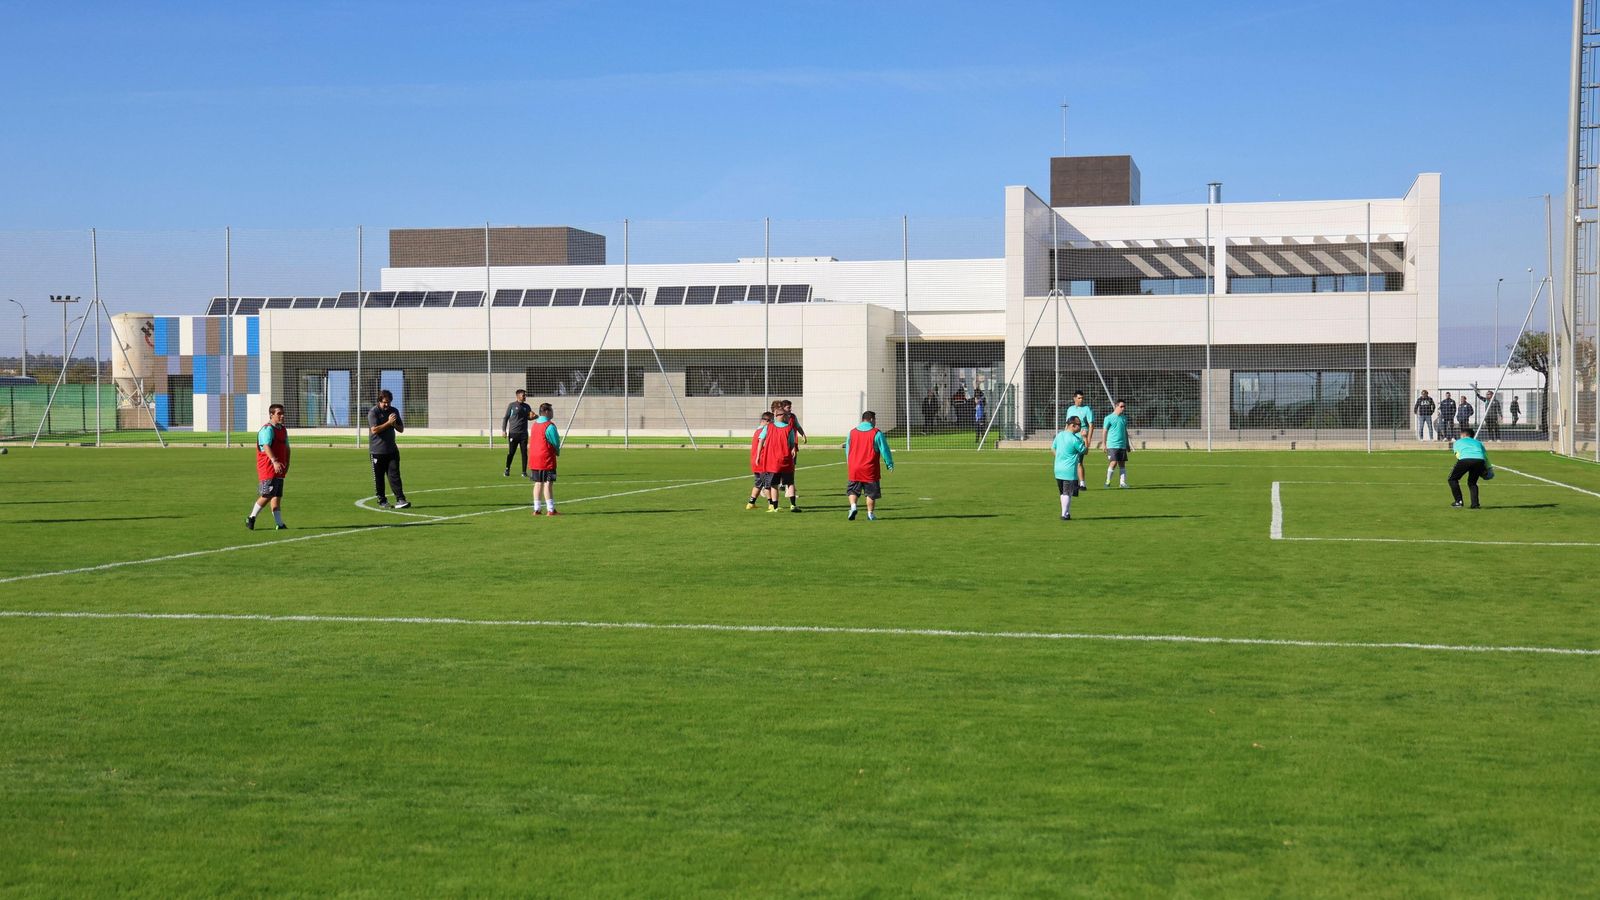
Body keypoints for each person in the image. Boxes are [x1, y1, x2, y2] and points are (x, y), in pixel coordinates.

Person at [246, 403, 290, 530]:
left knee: (277, 495)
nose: (282, 416)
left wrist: (288, 462)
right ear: (271, 414)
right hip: (268, 467)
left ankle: (279, 524)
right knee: (267, 494)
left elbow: (287, 448)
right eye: (279, 414)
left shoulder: (283, 429)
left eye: (283, 413)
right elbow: (266, 446)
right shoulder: (267, 429)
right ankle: (251, 517)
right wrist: (275, 461)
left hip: (280, 468)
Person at [845, 410, 894, 521]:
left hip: (854, 468)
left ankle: (853, 507)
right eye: (875, 419)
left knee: (853, 490)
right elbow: (884, 450)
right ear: (871, 419)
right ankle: (870, 514)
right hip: (869, 468)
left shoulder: (852, 432)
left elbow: (847, 449)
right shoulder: (876, 433)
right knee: (871, 493)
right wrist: (889, 463)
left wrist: (849, 462)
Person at [368, 389, 409, 509]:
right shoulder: (373, 412)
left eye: (389, 402)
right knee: (379, 477)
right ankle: (382, 500)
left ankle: (401, 499)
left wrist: (394, 424)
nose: (387, 405)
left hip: (392, 450)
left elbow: (401, 429)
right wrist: (388, 422)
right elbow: (374, 430)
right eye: (385, 402)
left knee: (394, 475)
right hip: (377, 451)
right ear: (379, 401)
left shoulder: (394, 411)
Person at [763, 400, 799, 512]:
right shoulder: (789, 428)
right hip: (786, 460)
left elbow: (761, 440)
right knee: (790, 483)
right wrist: (793, 449)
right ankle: (793, 505)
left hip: (773, 461)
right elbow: (792, 443)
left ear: (776, 415)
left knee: (774, 484)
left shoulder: (769, 427)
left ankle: (775, 507)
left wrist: (759, 454)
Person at [527, 402, 562, 516]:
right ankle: (550, 509)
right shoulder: (549, 426)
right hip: (546, 459)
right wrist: (557, 450)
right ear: (546, 411)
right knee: (548, 483)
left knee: (538, 483)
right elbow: (555, 442)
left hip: (534, 459)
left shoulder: (534, 425)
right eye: (551, 410)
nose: (552, 413)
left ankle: (536, 509)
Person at [1051, 415, 1087, 520]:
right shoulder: (1075, 439)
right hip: (1069, 471)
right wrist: (1085, 438)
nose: (1081, 427)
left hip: (1058, 469)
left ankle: (1066, 513)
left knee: (1062, 492)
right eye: (1079, 425)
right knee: (1067, 493)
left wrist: (1059, 457)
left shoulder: (1059, 435)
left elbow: (1053, 448)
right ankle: (1064, 514)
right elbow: (1085, 451)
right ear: (1072, 425)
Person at [1448, 425, 1492, 509]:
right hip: (1479, 460)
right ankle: (1475, 504)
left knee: (1452, 479)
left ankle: (1458, 501)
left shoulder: (1457, 442)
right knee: (1472, 482)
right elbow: (1485, 456)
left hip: (1465, 460)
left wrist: (1460, 464)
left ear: (1464, 435)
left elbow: (1457, 454)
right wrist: (1489, 468)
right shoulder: (1478, 442)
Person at [746, 411, 776, 509]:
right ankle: (771, 504)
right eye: (772, 421)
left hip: (754, 461)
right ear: (767, 421)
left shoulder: (757, 430)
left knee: (758, 483)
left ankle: (751, 503)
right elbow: (764, 444)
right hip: (762, 461)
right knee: (767, 485)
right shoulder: (765, 430)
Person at [1098, 399, 1131, 488]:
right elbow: (1104, 431)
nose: (1123, 408)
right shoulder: (1108, 418)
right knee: (1113, 462)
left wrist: (1127, 444)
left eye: (1124, 407)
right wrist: (1104, 444)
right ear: (1116, 406)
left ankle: (1122, 483)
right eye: (1121, 406)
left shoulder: (1124, 418)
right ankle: (1108, 481)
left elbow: (1125, 431)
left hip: (1122, 445)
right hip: (1112, 445)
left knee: (1122, 464)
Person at [779, 400, 805, 511]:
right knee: (779, 469)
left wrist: (803, 435)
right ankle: (769, 487)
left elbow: (798, 426)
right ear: (783, 408)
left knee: (791, 469)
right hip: (781, 448)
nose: (790, 409)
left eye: (790, 407)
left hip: (792, 446)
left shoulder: (793, 417)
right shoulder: (780, 419)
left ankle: (787, 491)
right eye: (788, 407)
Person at [1064, 391, 1096, 481]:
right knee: (1070, 461)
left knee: (1079, 461)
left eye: (1082, 398)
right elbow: (1067, 425)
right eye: (1079, 398)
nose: (1081, 400)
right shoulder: (1070, 409)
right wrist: (1064, 436)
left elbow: (1091, 425)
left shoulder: (1087, 409)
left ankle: (1082, 483)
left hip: (1081, 438)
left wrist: (1088, 439)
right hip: (1070, 438)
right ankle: (1071, 480)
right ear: (1074, 398)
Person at [502, 388, 533, 477]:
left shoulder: (527, 406)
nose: (525, 396)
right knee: (511, 452)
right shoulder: (512, 405)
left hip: (523, 434)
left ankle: (524, 472)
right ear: (518, 396)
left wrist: (534, 417)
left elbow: (529, 417)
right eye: (523, 395)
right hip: (513, 433)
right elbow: (506, 418)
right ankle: (507, 469)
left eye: (525, 395)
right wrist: (504, 430)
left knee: (524, 453)